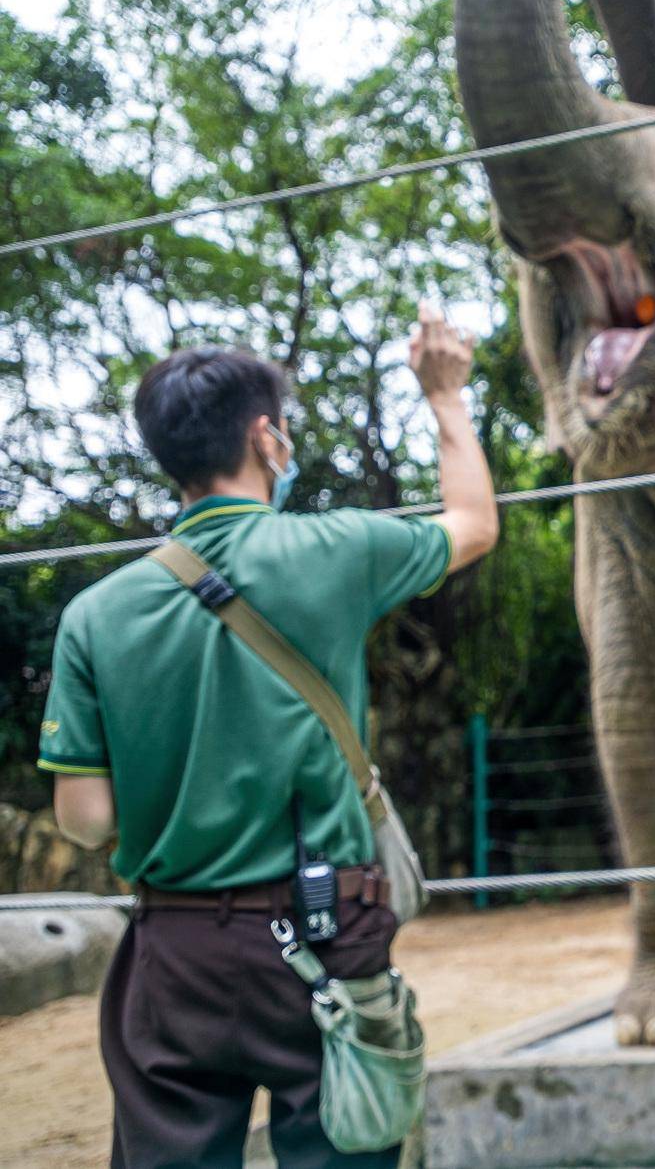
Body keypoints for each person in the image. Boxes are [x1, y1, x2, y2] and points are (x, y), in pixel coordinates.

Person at [37, 305, 499, 1168]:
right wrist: (443, 395)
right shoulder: (335, 548)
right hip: (323, 936)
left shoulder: (94, 615)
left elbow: (86, 820)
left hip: (173, 950)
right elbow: (473, 523)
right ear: (265, 437)